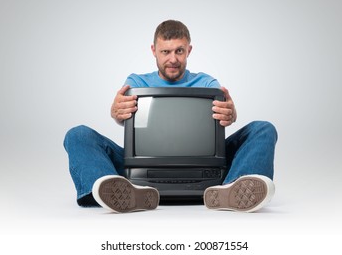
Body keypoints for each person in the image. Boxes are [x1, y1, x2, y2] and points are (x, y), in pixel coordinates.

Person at [63, 20, 278, 213]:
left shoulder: (207, 83)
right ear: (153, 50)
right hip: (141, 171)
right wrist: (116, 112)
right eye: (165, 52)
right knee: (78, 135)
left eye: (179, 51)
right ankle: (117, 190)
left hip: (206, 171)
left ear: (189, 50)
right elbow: (123, 117)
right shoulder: (136, 83)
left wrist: (232, 113)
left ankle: (229, 191)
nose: (173, 59)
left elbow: (225, 113)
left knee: (263, 129)